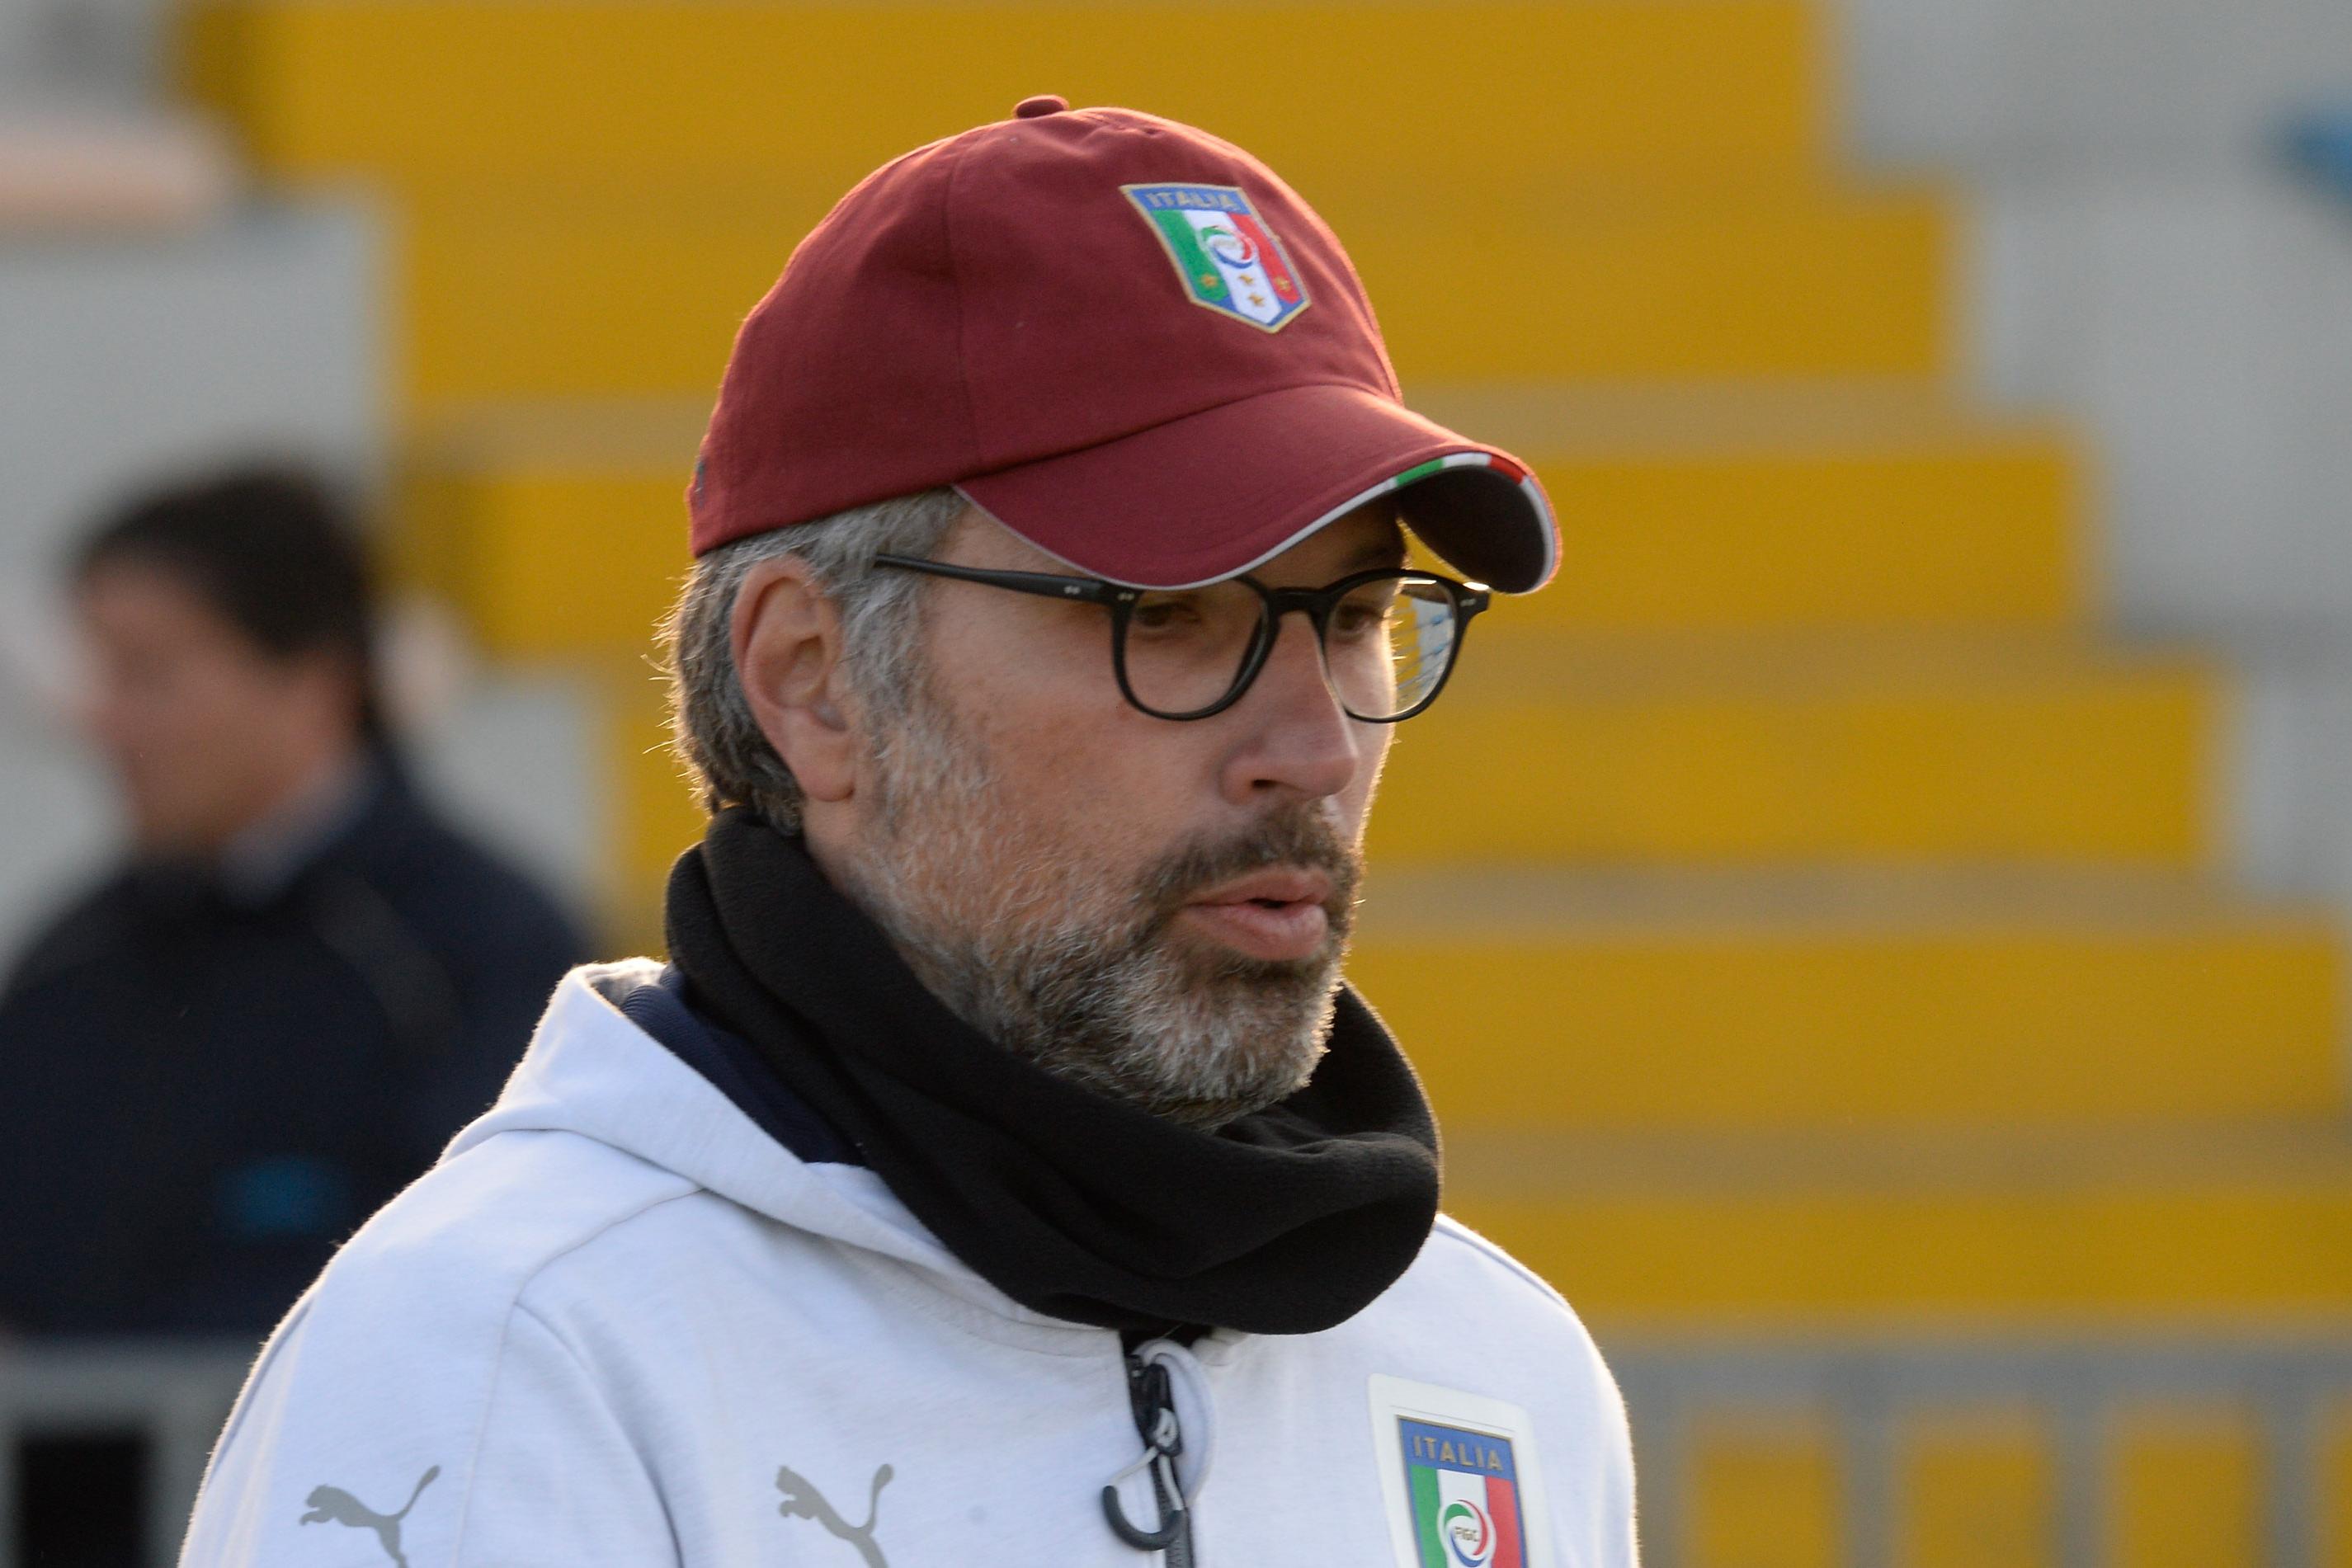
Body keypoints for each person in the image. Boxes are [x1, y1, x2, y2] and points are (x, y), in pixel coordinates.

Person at [179, 101, 1637, 1565]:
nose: (1316, 747)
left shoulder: (1490, 1372)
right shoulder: (513, 1359)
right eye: (1170, 619)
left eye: (1357, 617)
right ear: (812, 682)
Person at [0, 468, 587, 1340]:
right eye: (101, 672)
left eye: (149, 673)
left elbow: (499, 1283)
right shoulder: (71, 960)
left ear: (314, 680)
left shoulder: (478, 950)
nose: (105, 721)